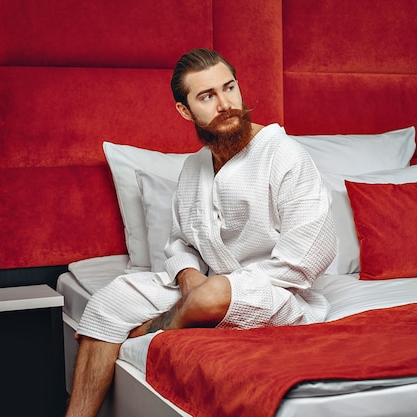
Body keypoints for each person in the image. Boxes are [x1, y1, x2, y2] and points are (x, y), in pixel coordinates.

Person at [65, 48, 337, 417]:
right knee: (108, 301)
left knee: (212, 296)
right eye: (207, 96)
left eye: (229, 88)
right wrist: (189, 276)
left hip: (279, 294)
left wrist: (215, 289)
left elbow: (307, 257)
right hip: (206, 285)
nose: (226, 104)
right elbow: (180, 240)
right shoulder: (194, 166)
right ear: (185, 110)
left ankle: (155, 330)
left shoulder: (284, 155)